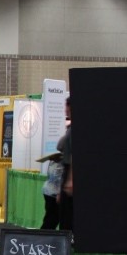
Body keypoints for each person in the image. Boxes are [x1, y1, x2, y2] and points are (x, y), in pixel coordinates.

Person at [58, 97, 73, 230]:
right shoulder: (70, 128)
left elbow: (74, 155)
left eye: (66, 106)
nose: (65, 109)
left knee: (68, 219)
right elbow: (60, 145)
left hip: (69, 173)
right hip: (66, 174)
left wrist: (70, 180)